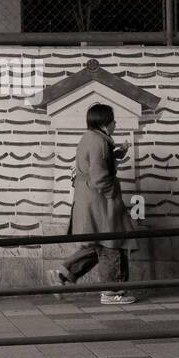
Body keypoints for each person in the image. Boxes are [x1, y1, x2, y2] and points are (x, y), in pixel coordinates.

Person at [48, 103, 138, 305]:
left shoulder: (90, 138)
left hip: (89, 200)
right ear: (105, 122)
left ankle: (62, 273)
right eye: (114, 120)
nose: (116, 124)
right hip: (101, 202)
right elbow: (99, 177)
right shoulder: (99, 142)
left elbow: (94, 165)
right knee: (111, 243)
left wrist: (117, 155)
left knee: (99, 244)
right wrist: (112, 194)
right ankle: (111, 292)